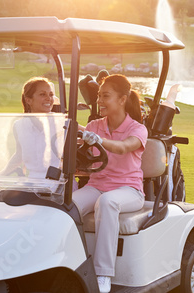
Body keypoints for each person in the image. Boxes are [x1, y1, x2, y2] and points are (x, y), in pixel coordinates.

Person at [73, 74, 147, 293]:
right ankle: (70, 263)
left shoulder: (137, 128)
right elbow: (83, 152)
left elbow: (124, 147)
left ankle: (103, 272)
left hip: (128, 190)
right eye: (99, 96)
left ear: (122, 100)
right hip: (97, 185)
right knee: (67, 205)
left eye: (106, 96)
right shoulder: (94, 125)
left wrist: (99, 140)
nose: (100, 101)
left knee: (107, 203)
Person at [0, 77, 61, 180]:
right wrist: (1, 175)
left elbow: (88, 133)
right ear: (28, 100)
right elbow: (19, 154)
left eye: (51, 94)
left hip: (58, 183)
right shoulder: (19, 126)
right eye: (42, 94)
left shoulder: (62, 122)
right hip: (33, 182)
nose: (48, 98)